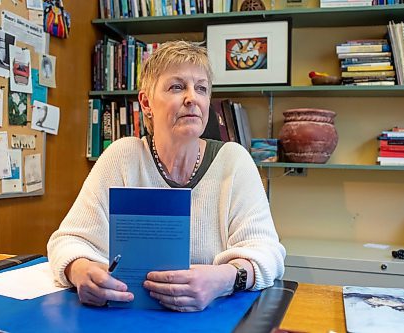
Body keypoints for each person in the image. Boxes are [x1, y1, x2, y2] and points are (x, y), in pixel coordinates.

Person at [47, 40, 286, 312]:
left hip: (214, 320)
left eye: (201, 88)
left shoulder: (234, 161)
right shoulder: (122, 157)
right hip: (127, 318)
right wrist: (80, 271)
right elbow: (66, 242)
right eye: (176, 86)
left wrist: (224, 279)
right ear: (146, 103)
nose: (192, 98)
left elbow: (269, 252)